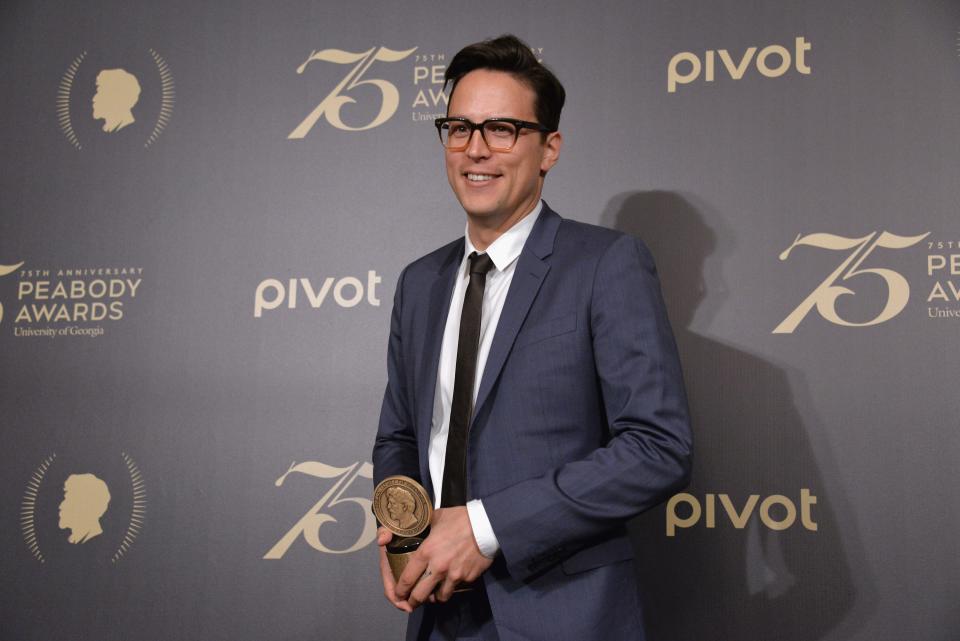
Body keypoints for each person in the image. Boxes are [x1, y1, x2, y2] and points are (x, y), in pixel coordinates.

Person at [372, 34, 692, 641]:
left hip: (563, 613)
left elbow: (658, 446)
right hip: (435, 615)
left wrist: (485, 527)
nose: (476, 149)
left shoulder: (605, 264)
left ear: (549, 148)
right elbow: (400, 435)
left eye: (502, 129)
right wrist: (404, 537)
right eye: (459, 127)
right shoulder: (419, 283)